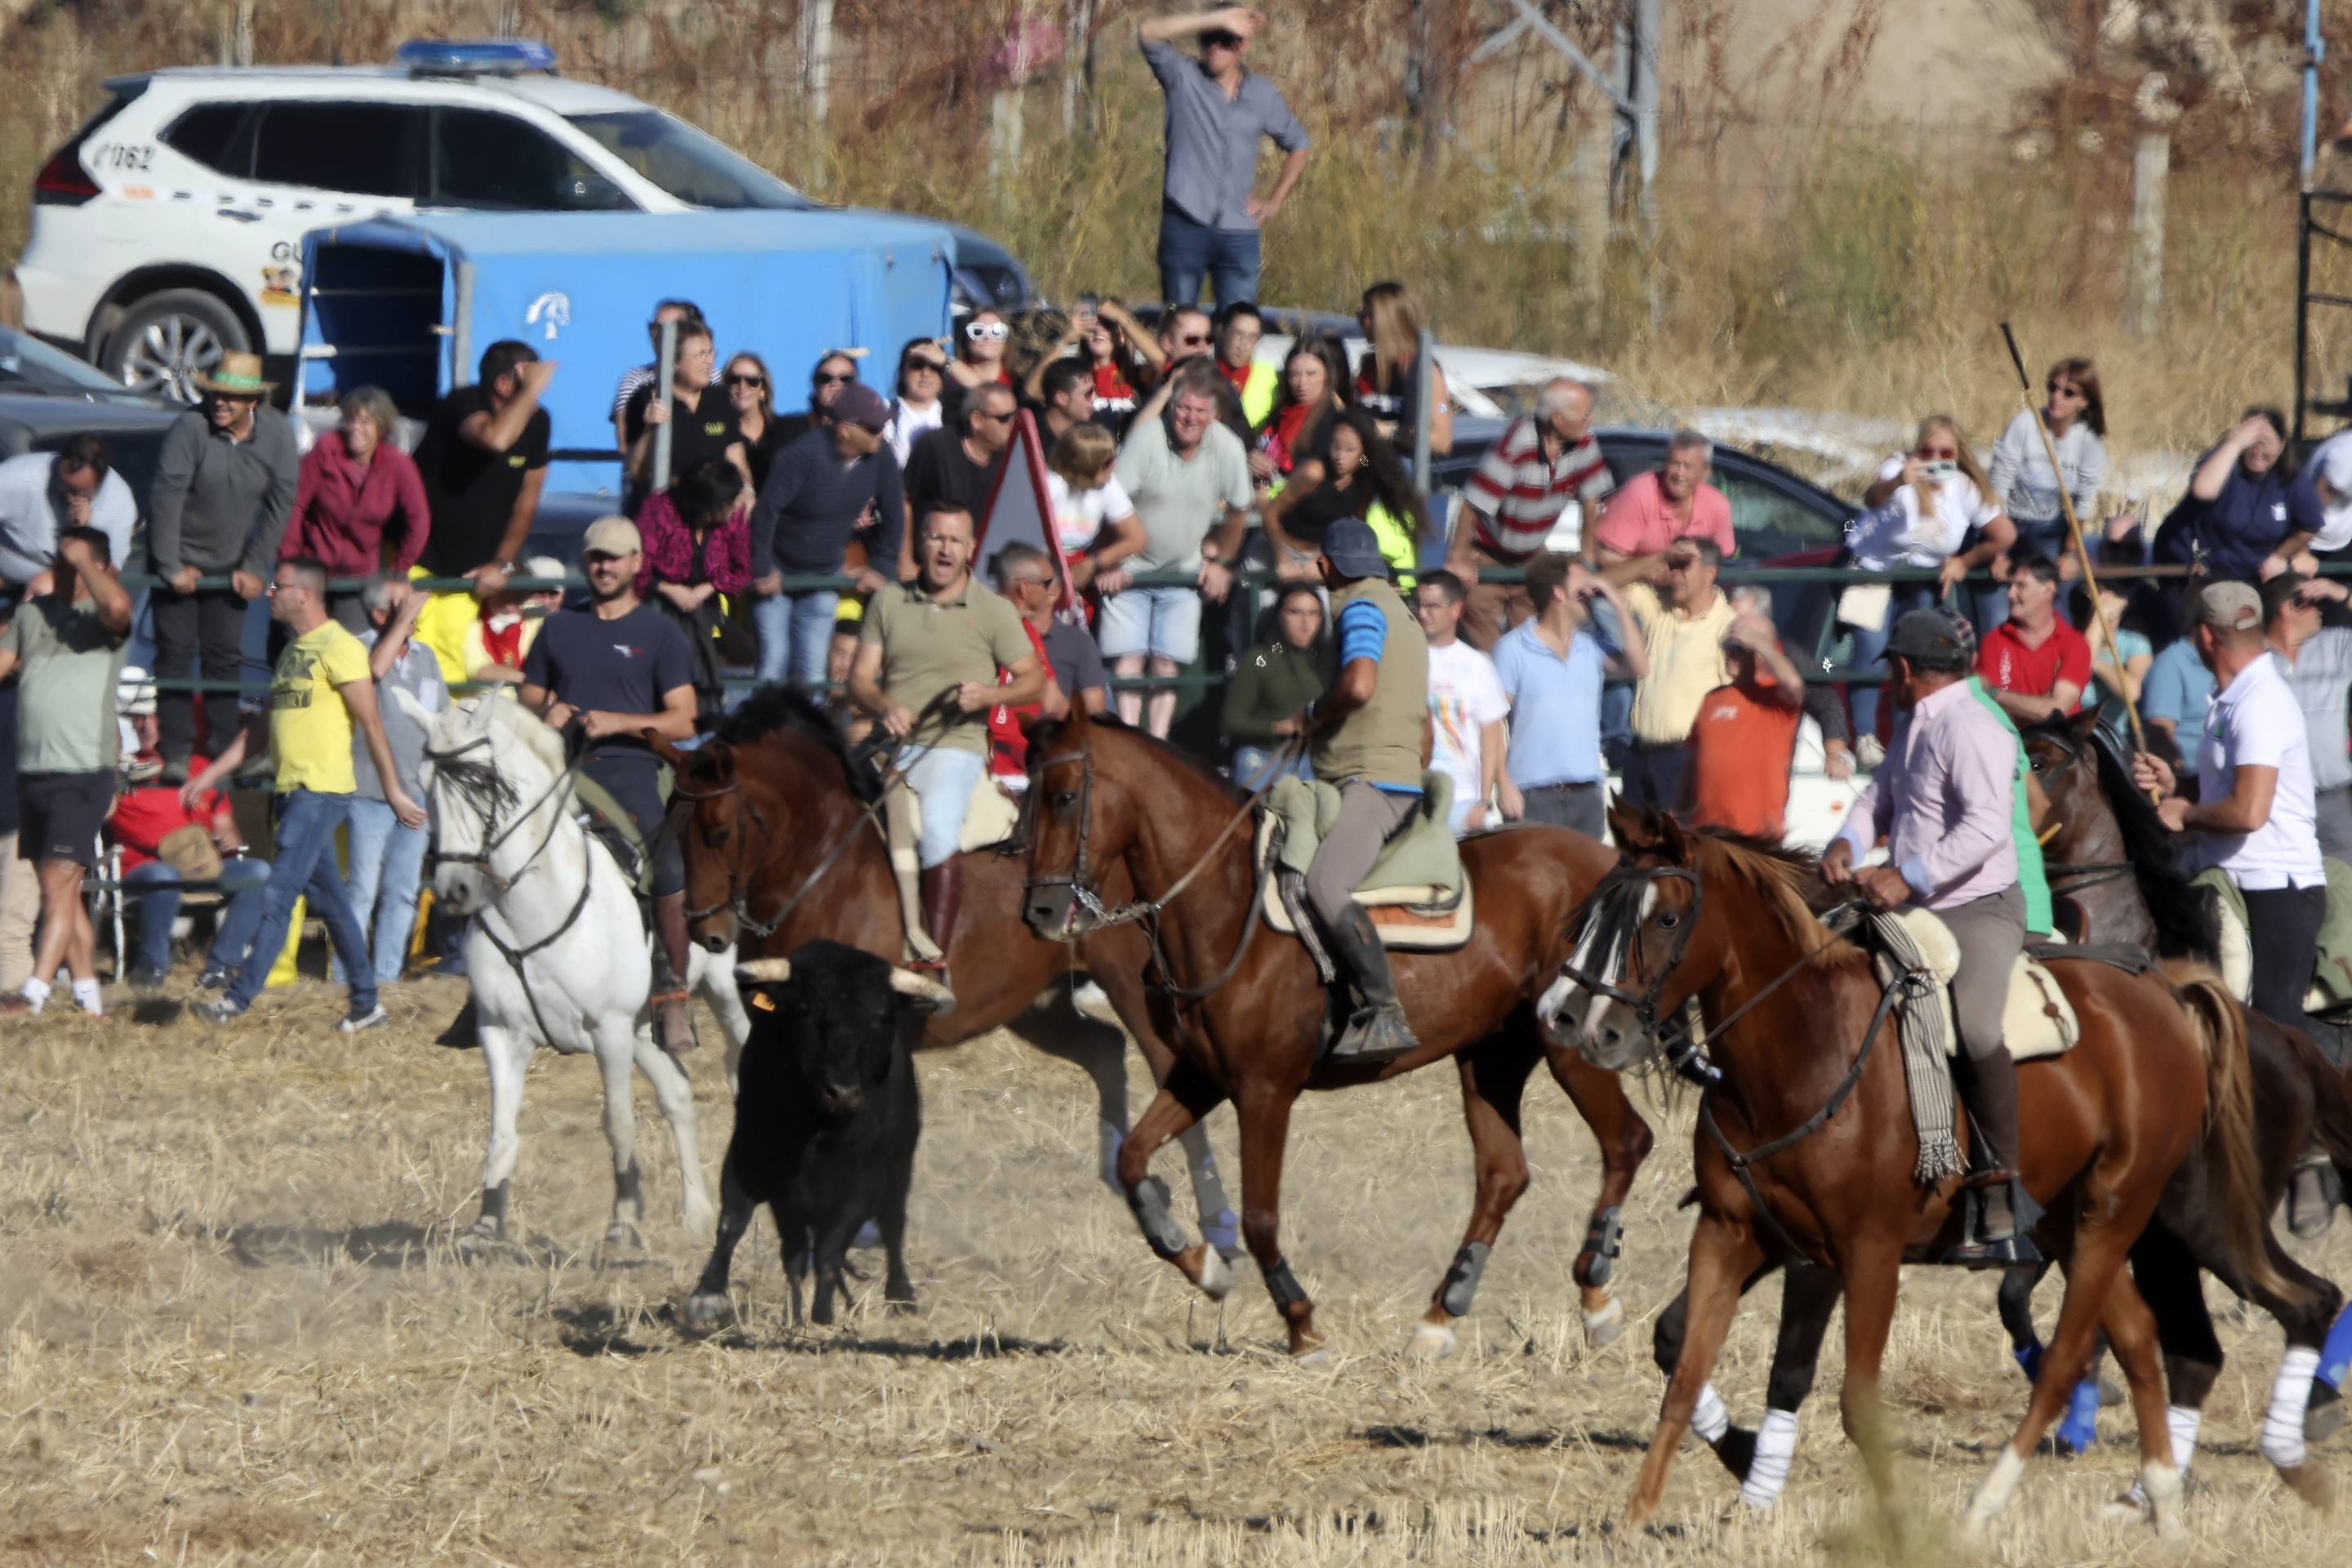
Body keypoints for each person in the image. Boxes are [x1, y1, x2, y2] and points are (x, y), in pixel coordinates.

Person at [1824, 607, 2040, 1263]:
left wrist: (1905, 876)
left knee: (1976, 1027)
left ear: (1906, 669)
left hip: (1978, 907)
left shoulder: (1973, 728)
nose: (1890, 675)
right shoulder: (1917, 723)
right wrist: (1847, 839)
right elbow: (1880, 799)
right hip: (1910, 899)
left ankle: (2003, 1181)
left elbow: (1986, 831)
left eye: (1891, 666)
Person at [2134, 581, 2345, 1227]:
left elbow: (2249, 812)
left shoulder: (2262, 702)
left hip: (2276, 884)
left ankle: (2308, 1156)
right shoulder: (2232, 697)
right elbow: (2237, 787)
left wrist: (2185, 812)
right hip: (2233, 878)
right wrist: (2182, 784)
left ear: (2204, 636)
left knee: (2274, 1027)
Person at [188, 556, 424, 1031]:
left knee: (277, 894)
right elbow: (260, 728)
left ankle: (233, 1000)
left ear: (306, 594)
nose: (270, 592)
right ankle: (366, 1004)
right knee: (333, 904)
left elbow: (371, 722)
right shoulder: (294, 652)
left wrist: (395, 791)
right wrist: (212, 772)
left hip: (319, 793)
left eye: (279, 585)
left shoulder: (339, 646)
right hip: (292, 793)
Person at [519, 517, 702, 1054]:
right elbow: (528, 697)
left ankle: (672, 996)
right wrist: (549, 710)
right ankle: (496, 991)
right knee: (504, 852)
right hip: (560, 769)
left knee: (666, 866)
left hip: (629, 769)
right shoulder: (557, 627)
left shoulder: (660, 633)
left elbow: (685, 720)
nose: (605, 566)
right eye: (597, 557)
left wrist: (619, 722)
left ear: (637, 563)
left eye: (616, 557)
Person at [848, 505, 1043, 1001]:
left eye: (954, 541)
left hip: (953, 746)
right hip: (889, 745)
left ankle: (931, 963)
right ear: (922, 544)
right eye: (935, 538)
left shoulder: (994, 610)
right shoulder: (889, 601)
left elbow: (1033, 679)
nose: (943, 549)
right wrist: (883, 704)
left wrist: (988, 696)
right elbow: (860, 679)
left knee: (936, 830)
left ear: (971, 549)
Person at [1287, 517, 1429, 1060]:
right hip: (1388, 772)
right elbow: (1425, 726)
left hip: (1373, 781)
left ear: (1327, 566)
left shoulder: (1362, 608)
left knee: (1325, 884)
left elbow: (1361, 683)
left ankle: (1383, 1009)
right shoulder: (1405, 614)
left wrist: (1312, 714)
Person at [147, 352, 301, 783]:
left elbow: (281, 502)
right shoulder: (189, 428)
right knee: (174, 657)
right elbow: (166, 495)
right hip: (178, 561)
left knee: (223, 660)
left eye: (231, 397)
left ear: (253, 401)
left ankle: (226, 751)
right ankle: (176, 752)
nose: (219, 402)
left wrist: (255, 566)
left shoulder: (277, 435)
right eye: (216, 393)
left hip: (231, 566)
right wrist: (171, 565)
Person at [0, 528, 130, 1017]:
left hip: (82, 772)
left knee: (58, 883)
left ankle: (32, 995)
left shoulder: (105, 621)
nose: (63, 569)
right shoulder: (31, 616)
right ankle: (89, 998)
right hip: (32, 772)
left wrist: (87, 564)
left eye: (74, 563)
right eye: (59, 560)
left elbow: (118, 608)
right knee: (64, 891)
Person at [1844, 415, 2014, 748]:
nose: (1935, 461)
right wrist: (1898, 483)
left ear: (1958, 454)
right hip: (1871, 567)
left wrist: (1965, 562)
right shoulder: (1898, 467)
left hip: (1921, 577)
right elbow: (1872, 499)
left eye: (1945, 453)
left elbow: (2005, 535)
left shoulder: (1964, 487)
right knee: (1872, 648)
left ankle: (1907, 739)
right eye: (1927, 451)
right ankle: (1865, 738)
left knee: (1915, 654)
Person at [1102, 365, 1251, 737]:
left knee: (1167, 666)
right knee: (1128, 662)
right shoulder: (1147, 438)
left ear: (1214, 415)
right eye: (1183, 408)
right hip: (1131, 566)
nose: (1189, 417)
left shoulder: (1228, 446)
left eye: (1200, 411)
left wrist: (1221, 561)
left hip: (1184, 568)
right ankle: (1126, 738)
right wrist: (1110, 559)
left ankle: (1156, 742)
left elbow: (1239, 508)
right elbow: (1112, 499)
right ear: (1171, 407)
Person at [1138, 7, 1312, 310]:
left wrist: (1275, 200)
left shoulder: (1262, 94)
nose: (1214, 47)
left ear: (1242, 44)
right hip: (1185, 222)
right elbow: (1148, 32)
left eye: (1225, 39)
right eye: (1208, 40)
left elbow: (1299, 145)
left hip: (1238, 231)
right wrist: (1215, 19)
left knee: (1239, 328)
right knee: (1179, 325)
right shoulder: (1183, 78)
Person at [109, 676, 270, 991]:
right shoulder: (123, 772)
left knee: (258, 871)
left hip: (201, 865)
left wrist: (228, 839)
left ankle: (221, 966)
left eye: (154, 716)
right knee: (163, 874)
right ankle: (152, 966)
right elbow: (104, 816)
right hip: (144, 868)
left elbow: (227, 830)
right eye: (139, 717)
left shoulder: (199, 767)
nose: (146, 724)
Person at [412, 341, 556, 684]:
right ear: (504, 385)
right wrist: (532, 386)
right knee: (409, 672)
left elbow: (527, 499)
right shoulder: (463, 403)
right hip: (420, 565)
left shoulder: (538, 422)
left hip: (474, 577)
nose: (538, 396)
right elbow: (495, 439)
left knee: (457, 672)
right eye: (529, 381)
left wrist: (503, 563)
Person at [749, 383, 902, 691]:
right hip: (779, 569)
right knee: (773, 662)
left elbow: (896, 512)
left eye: (884, 425)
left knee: (813, 668)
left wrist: (883, 565)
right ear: (845, 429)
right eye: (873, 427)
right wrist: (763, 568)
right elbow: (765, 512)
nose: (881, 433)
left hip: (824, 574)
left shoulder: (881, 457)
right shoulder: (800, 456)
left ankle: (809, 738)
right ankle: (761, 736)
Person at [1492, 553, 1646, 837]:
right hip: (1532, 793)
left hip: (1587, 793)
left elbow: (1638, 665)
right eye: (1584, 587)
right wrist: (1503, 783)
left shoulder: (1590, 647)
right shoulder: (1512, 648)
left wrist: (1617, 602)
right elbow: (1493, 722)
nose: (1591, 593)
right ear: (1559, 594)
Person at [340, 577, 446, 988]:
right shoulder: (357, 647)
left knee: (403, 891)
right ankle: (346, 980)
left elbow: (440, 717)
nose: (416, 613)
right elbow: (375, 669)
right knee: (361, 892)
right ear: (380, 613)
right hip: (367, 792)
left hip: (416, 795)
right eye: (405, 606)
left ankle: (384, 981)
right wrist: (403, 622)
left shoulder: (426, 656)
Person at [1454, 377, 1612, 649]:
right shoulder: (1517, 443)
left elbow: (1591, 500)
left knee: (1533, 642)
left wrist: (1586, 560)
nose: (1591, 420)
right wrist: (1458, 558)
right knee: (1486, 643)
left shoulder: (1584, 442)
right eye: (1585, 415)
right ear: (1559, 419)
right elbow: (1473, 503)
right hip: (1487, 554)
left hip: (1531, 555)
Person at [279, 385, 430, 632]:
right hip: (309, 570)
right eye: (350, 420)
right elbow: (295, 504)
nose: (355, 428)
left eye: (365, 421)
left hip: (360, 576)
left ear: (381, 427)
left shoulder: (398, 464)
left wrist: (398, 572)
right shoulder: (325, 448)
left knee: (355, 648)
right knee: (298, 643)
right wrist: (289, 560)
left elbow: (419, 520)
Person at [1617, 538, 1736, 810]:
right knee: (1632, 848)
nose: (1675, 575)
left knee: (1678, 848)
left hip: (1685, 757)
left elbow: (1732, 703)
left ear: (1710, 573)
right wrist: (1657, 555)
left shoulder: (1727, 626)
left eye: (1684, 567)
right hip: (1639, 753)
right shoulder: (1659, 608)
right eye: (1673, 566)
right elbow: (1603, 583)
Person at [638, 457, 754, 719]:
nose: (738, 505)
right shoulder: (659, 511)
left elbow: (742, 568)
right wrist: (668, 589)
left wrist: (708, 588)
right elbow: (638, 565)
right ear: (712, 505)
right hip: (660, 609)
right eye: (731, 501)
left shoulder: (734, 520)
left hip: (708, 612)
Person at [1262, 407, 1430, 581]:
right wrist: (1283, 558)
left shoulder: (1364, 476)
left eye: (1350, 450)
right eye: (1336, 446)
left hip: (1318, 560)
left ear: (1362, 453)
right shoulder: (1314, 472)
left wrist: (1322, 558)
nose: (1340, 456)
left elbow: (1354, 522)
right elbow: (1271, 513)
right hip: (1276, 551)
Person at [1683, 612, 1809, 840]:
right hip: (1705, 832)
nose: (1728, 655)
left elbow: (1794, 685)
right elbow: (1692, 763)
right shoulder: (1712, 698)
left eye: (1738, 648)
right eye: (1726, 646)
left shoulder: (1773, 697)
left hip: (1755, 834)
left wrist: (1760, 643)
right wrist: (1677, 813)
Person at [2259, 573, 2352, 862]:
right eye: (2315, 603)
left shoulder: (2338, 644)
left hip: (2334, 800)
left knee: (2346, 895)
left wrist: (2344, 595)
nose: (2322, 610)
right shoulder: (2251, 658)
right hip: (2276, 806)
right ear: (2289, 607)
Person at [1988, 358, 2106, 576]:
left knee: (2041, 594)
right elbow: (1998, 487)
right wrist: (1999, 553)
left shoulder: (2089, 443)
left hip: (2048, 531)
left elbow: (2082, 505)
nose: (2056, 396)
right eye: (2053, 387)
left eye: (2068, 392)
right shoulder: (2024, 424)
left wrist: (2069, 554)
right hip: (2006, 524)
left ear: (2084, 402)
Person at [1412, 571, 1508, 835]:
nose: (1423, 613)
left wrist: (1484, 801)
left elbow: (1492, 734)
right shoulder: (1404, 658)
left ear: (1456, 610)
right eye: (1419, 604)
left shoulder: (1477, 665)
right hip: (1414, 797)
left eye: (1432, 606)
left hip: (1462, 800)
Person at [2153, 408, 2294, 583]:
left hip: (2247, 577)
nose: (2258, 449)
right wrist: (2236, 443)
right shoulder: (2223, 460)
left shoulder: (2287, 475)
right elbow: (2203, 491)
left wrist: (2291, 554)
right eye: (2253, 441)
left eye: (2265, 442)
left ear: (2281, 444)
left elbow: (2310, 522)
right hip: (2188, 568)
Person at [622, 318, 751, 511]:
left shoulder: (720, 399)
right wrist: (649, 428)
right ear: (674, 362)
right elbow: (636, 472)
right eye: (701, 354)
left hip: (711, 514)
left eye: (711, 353)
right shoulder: (645, 399)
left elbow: (736, 458)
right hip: (665, 514)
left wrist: (747, 491)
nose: (710, 361)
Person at [1221, 584, 1327, 789]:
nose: (1305, 623)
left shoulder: (1323, 661)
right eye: (1295, 612)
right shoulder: (1261, 658)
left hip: (1309, 762)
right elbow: (1230, 721)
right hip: (1261, 760)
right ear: (1280, 616)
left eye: (1313, 613)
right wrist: (1277, 727)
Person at [904, 383, 1016, 570]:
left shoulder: (1013, 457)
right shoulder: (936, 448)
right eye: (1005, 418)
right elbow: (905, 502)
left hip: (986, 570)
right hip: (933, 565)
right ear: (977, 420)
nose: (1013, 424)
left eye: (1015, 416)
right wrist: (905, 561)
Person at [0, 436, 136, 589]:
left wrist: (83, 530)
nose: (69, 496)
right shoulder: (17, 478)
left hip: (74, 595)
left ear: (100, 484)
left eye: (80, 492)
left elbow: (110, 575)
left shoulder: (118, 503)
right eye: (63, 486)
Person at [1591, 430, 1736, 572]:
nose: (1679, 474)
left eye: (1688, 466)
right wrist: (1655, 571)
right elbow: (1605, 557)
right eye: (1675, 463)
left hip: (1690, 589)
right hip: (1634, 586)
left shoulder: (1717, 505)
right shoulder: (1639, 493)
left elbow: (1723, 564)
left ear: (1705, 472)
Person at [996, 541, 1108, 715]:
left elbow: (1095, 710)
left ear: (1053, 592)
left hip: (1054, 736)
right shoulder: (995, 632)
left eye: (1028, 582)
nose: (1019, 589)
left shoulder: (1078, 642)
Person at [1976, 554, 2091, 724]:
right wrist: (2040, 704)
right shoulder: (1993, 641)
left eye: (2021, 586)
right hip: (2008, 741)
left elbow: (2056, 711)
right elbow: (1988, 710)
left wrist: (1997, 694)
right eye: (2010, 586)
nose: (2010, 594)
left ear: (2048, 590)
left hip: (2058, 746)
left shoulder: (2074, 643)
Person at [1354, 282, 1452, 459]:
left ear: (1391, 321)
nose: (1361, 322)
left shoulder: (1424, 370)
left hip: (1403, 473)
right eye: (1360, 315)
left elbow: (1442, 441)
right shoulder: (1369, 366)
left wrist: (1389, 431)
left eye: (1367, 315)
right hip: (1367, 465)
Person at [1045, 423, 1145, 595]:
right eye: (1107, 462)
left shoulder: (1107, 482)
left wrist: (1093, 564)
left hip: (1078, 567)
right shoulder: (1051, 485)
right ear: (1086, 465)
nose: (1115, 465)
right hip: (1041, 567)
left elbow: (1137, 538)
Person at [609, 299, 709, 452]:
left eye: (670, 328)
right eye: (655, 327)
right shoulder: (635, 380)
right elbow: (624, 446)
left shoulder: (714, 379)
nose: (659, 334)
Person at [1252, 335, 1348, 486]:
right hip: (1263, 498)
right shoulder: (1280, 412)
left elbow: (1365, 461)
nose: (1302, 383)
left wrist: (1351, 465)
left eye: (1311, 373)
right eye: (1294, 374)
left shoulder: (1337, 419)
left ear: (1327, 374)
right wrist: (1251, 458)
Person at [462, 556, 565, 688]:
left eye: (518, 598)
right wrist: (531, 682)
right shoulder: (473, 619)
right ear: (489, 594)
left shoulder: (536, 616)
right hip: (487, 701)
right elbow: (479, 670)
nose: (511, 606)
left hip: (533, 701)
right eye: (504, 598)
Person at [2078, 580, 2153, 746]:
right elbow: (2077, 673)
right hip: (2075, 737)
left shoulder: (2134, 644)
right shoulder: (2068, 643)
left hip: (2116, 739)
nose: (2110, 620)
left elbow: (2131, 692)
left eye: (2114, 613)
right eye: (2103, 614)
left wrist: (2096, 663)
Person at [2142, 626, 2216, 777]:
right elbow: (2160, 733)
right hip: (2187, 780)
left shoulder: (2221, 660)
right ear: (2204, 629)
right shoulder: (2171, 663)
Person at [2286, 426, 2352, 573]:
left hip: (2340, 540)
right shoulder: (2347, 453)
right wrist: (2300, 551)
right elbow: (2312, 504)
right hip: (2312, 543)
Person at [724, 352, 791, 496]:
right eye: (734, 379)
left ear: (763, 390)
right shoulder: (718, 431)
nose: (742, 386)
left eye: (752, 381)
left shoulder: (781, 430)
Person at [771, 348, 862, 448]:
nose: (836, 384)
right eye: (826, 379)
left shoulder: (870, 434)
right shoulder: (787, 429)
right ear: (815, 385)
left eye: (846, 379)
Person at [1212, 301, 1279, 428]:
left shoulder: (1271, 378)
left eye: (1252, 337)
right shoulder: (1202, 373)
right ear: (1221, 331)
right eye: (1237, 333)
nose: (1243, 344)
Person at [884, 339, 950, 468]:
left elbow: (982, 390)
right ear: (903, 371)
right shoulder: (882, 411)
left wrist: (948, 361)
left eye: (935, 366)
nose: (925, 373)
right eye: (917, 365)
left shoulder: (955, 416)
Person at [946, 310, 1014, 406]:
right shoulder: (950, 381)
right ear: (966, 339)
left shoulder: (1016, 382)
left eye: (996, 331)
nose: (987, 337)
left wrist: (947, 360)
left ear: (1006, 341)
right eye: (978, 331)